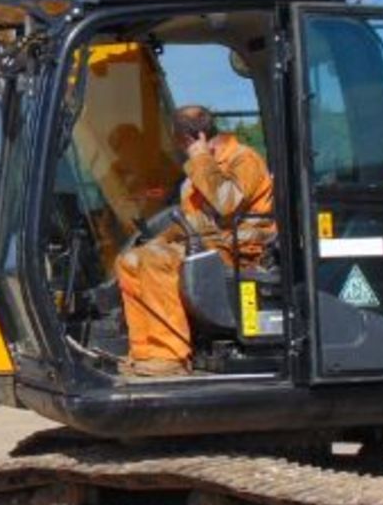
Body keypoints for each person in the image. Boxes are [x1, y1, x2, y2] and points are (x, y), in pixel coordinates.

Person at [115, 104, 275, 377]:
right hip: (209, 244)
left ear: (190, 138)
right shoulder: (200, 167)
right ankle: (146, 351)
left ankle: (169, 356)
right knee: (129, 260)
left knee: (157, 262)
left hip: (239, 251)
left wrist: (201, 158)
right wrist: (159, 240)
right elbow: (195, 220)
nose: (177, 147)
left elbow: (227, 203)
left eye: (178, 139)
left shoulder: (242, 159)